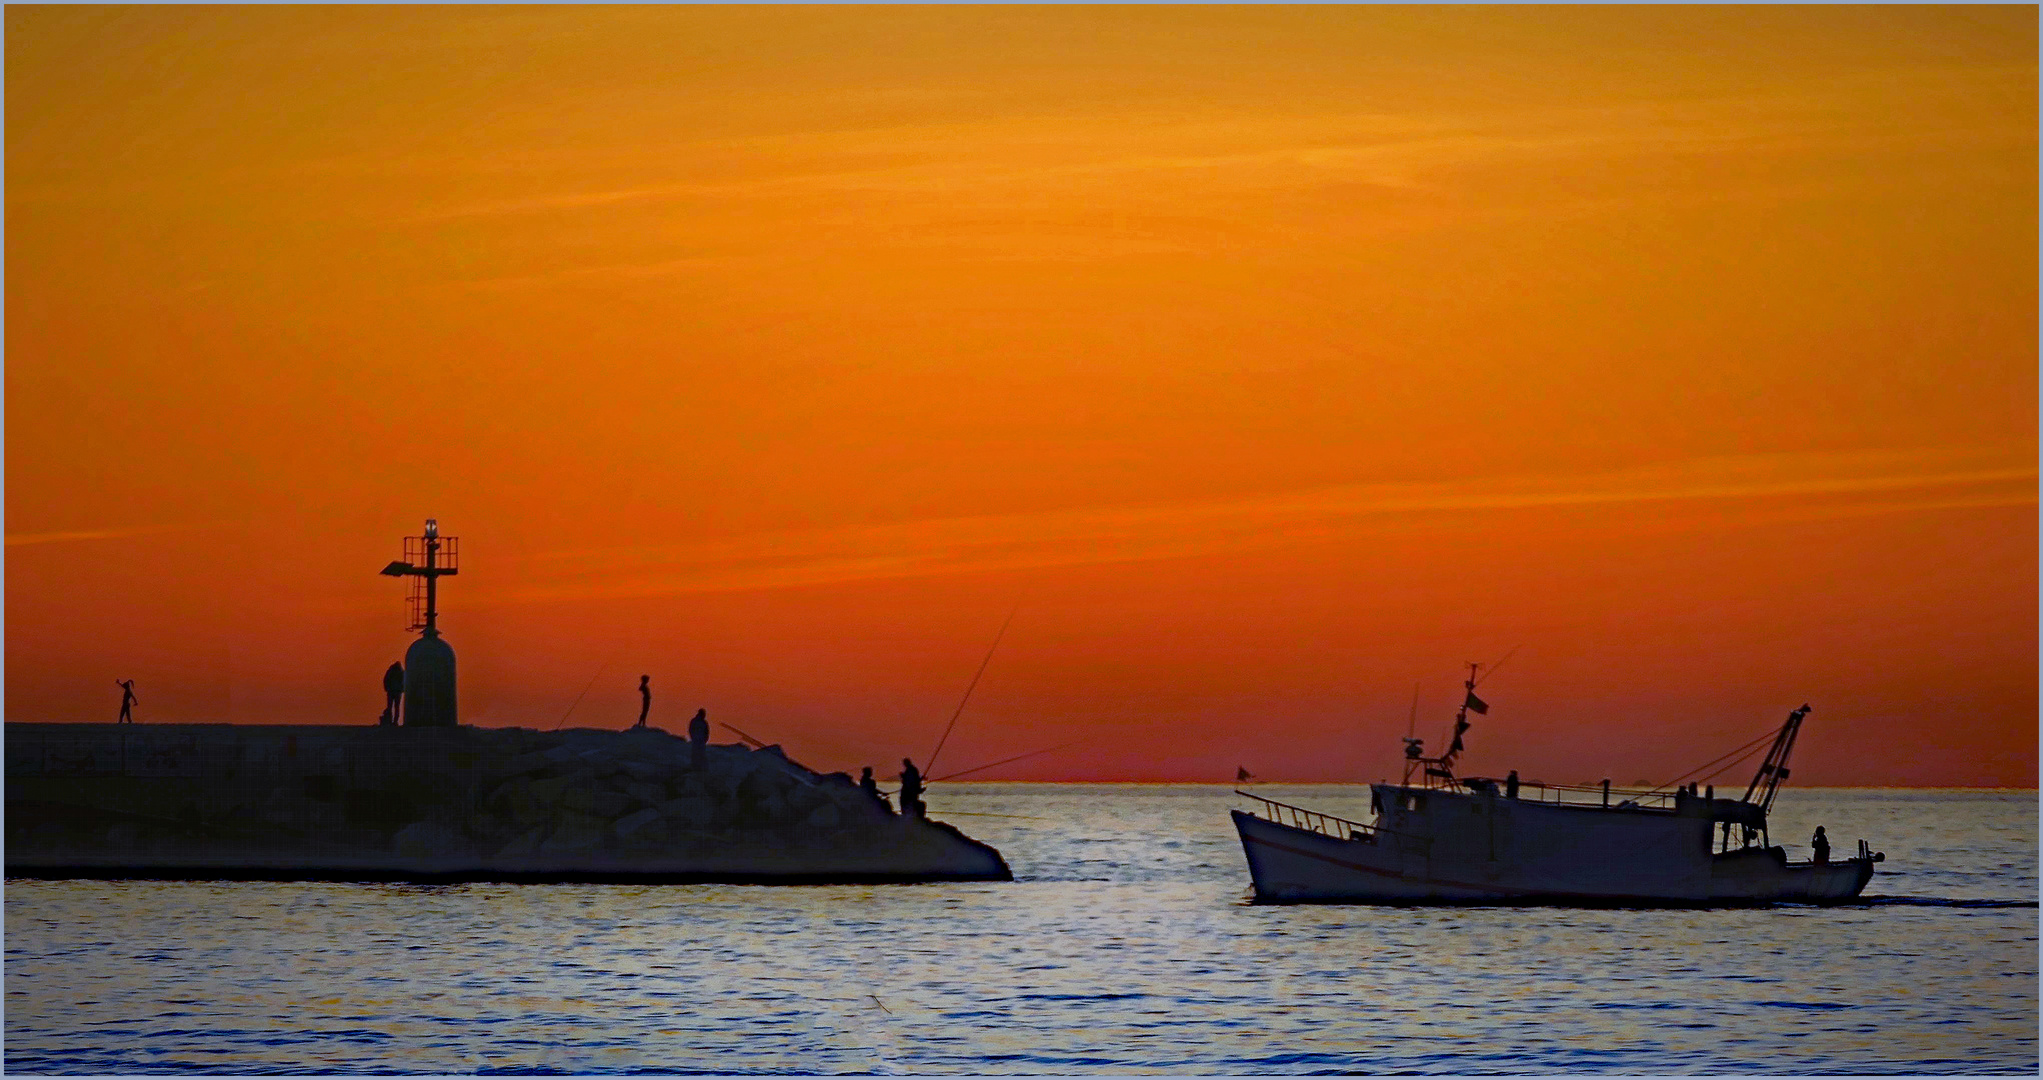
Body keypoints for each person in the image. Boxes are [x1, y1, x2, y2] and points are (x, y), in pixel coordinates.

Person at [382, 661, 405, 726]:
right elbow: (404, 681)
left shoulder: (390, 671)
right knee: (396, 707)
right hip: (397, 691)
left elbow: (385, 680)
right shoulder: (401, 672)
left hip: (391, 691)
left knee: (390, 706)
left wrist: (386, 688)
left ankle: (390, 720)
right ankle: (395, 721)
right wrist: (402, 689)